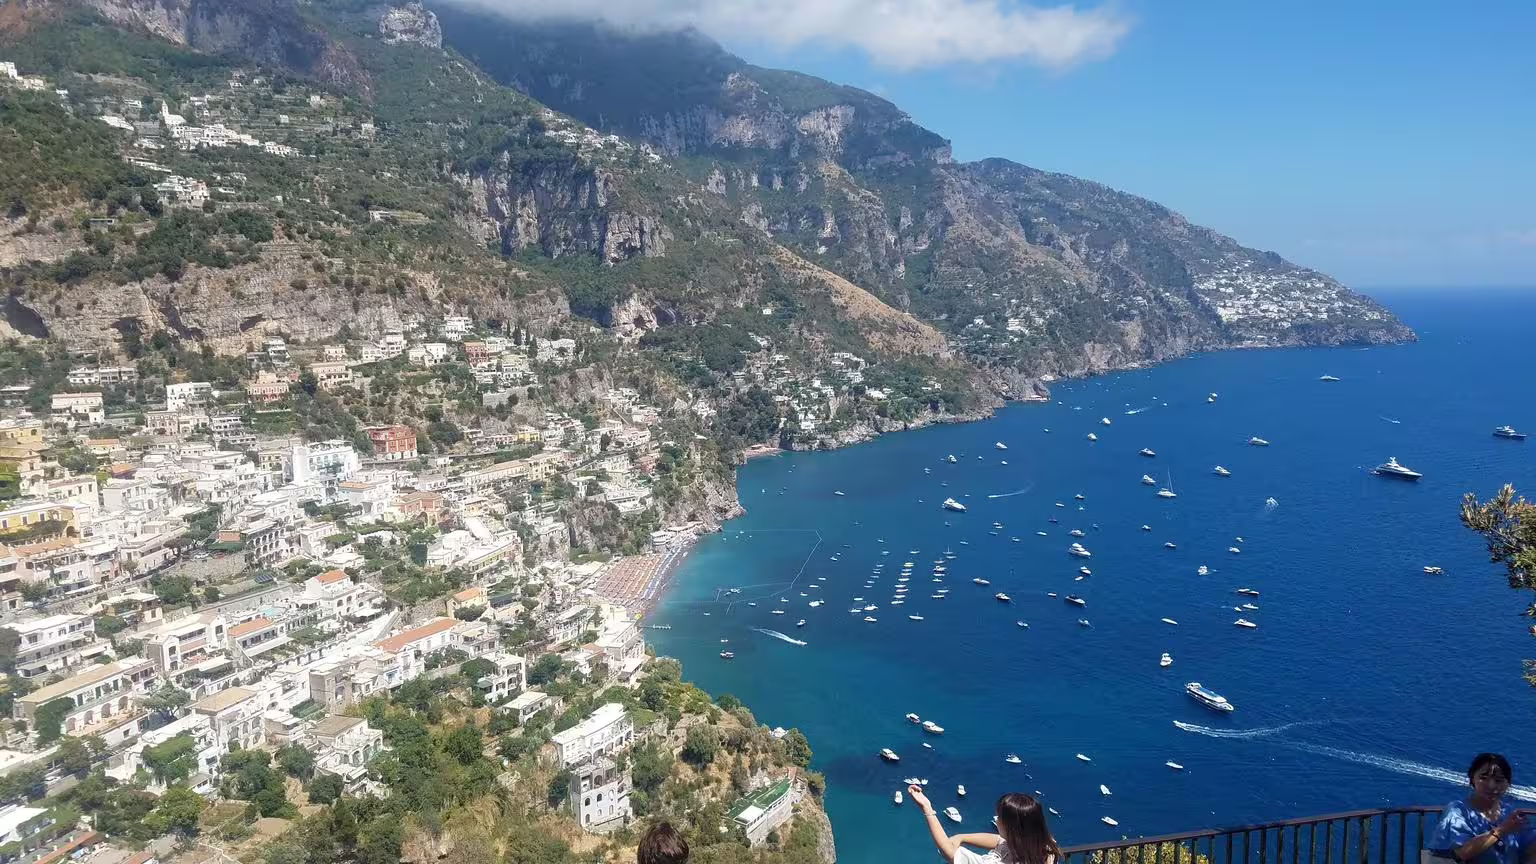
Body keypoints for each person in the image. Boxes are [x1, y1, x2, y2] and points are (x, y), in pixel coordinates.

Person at [908, 784, 1060, 864]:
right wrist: (962, 837)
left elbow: (948, 851)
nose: (997, 819)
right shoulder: (1044, 848)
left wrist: (927, 808)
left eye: (1000, 817)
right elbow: (999, 841)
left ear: (1012, 828)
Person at [1430, 753, 1536, 864]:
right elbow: (1462, 853)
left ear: (1507, 784)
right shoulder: (1458, 810)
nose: (1491, 785)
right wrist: (1502, 830)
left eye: (1498, 780)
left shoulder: (1509, 811)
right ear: (1472, 780)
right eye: (1483, 778)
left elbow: (1530, 845)